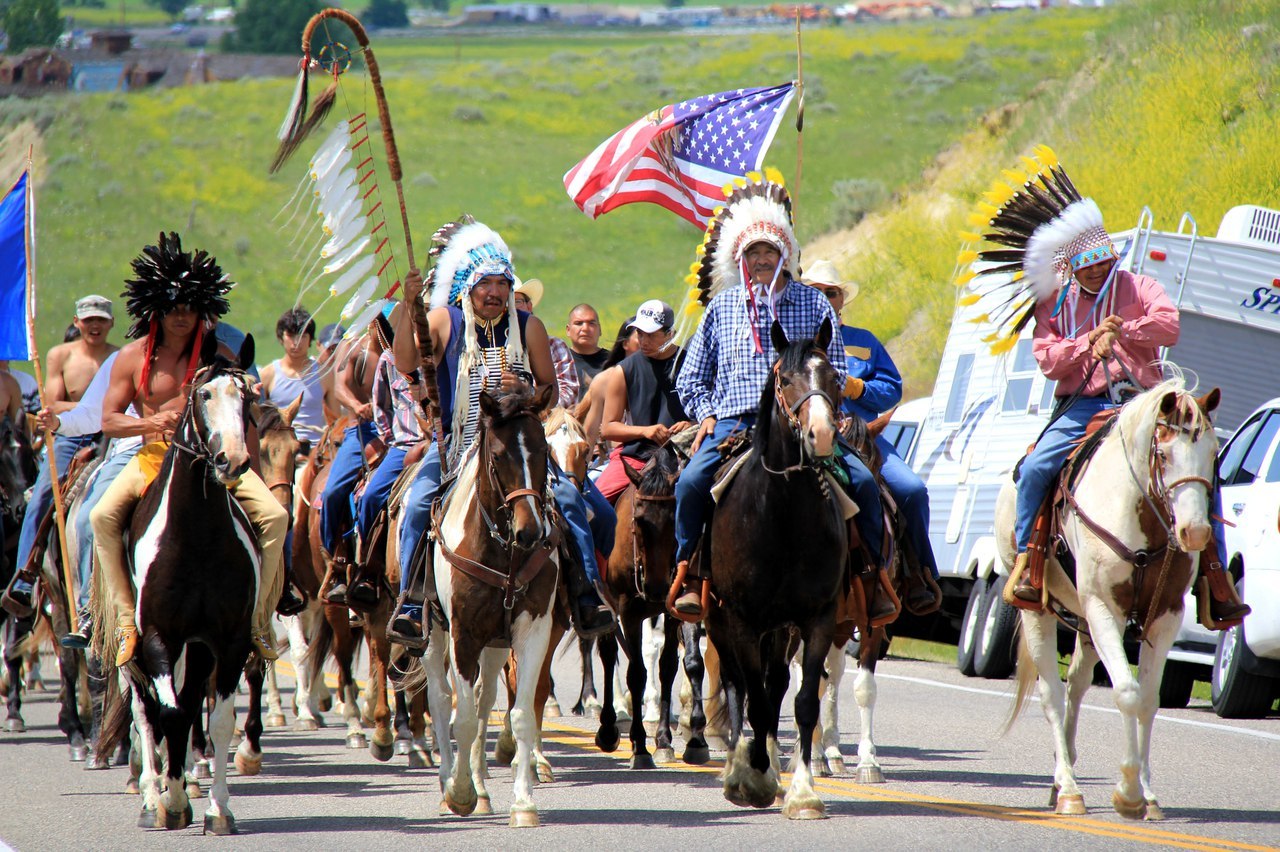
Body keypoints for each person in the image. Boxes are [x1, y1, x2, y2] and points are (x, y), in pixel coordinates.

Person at [960, 155, 1248, 626]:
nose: (1095, 273)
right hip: (1083, 405)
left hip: (1144, 401)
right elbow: (1048, 361)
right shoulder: (1054, 302)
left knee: (1198, 459)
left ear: (1113, 259)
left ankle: (1213, 574)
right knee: (1034, 469)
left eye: (1102, 265)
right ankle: (1029, 563)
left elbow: (1169, 325)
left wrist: (1124, 331)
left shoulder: (1139, 285)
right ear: (1072, 267)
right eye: (1086, 268)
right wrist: (1086, 345)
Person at [671, 175, 891, 620]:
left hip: (805, 420)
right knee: (692, 482)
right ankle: (691, 572)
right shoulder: (723, 307)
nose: (762, 260)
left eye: (770, 251)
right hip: (736, 423)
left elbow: (839, 369)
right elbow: (690, 377)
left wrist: (825, 408)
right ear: (741, 258)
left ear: (785, 254)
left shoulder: (815, 305)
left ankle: (874, 578)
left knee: (865, 484)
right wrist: (708, 415)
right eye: (753, 253)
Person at [389, 218, 615, 646]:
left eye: (501, 283)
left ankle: (586, 593)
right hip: (458, 444)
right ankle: (412, 601)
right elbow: (404, 361)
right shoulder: (443, 320)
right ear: (468, 287)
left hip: (520, 446)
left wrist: (527, 389)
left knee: (569, 499)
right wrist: (409, 303)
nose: (493, 292)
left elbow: (552, 390)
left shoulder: (528, 326)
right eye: (484, 283)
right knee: (418, 502)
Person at [90, 232, 287, 665]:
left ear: (203, 310)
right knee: (100, 517)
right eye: (174, 307)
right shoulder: (131, 357)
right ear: (156, 309)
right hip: (152, 460)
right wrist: (150, 421)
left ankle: (258, 619)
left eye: (190, 308)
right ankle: (123, 621)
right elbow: (108, 420)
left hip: (216, 463)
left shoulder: (220, 355)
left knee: (276, 516)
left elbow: (239, 403)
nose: (182, 316)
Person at [803, 261, 938, 611]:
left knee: (911, 489)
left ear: (841, 299)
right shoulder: (794, 340)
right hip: (807, 436)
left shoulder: (864, 342)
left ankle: (917, 574)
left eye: (830, 292)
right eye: (815, 290)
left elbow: (891, 390)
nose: (823, 297)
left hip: (864, 438)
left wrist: (858, 388)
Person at [3, 295, 117, 617]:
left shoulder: (118, 357)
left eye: (101, 320)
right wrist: (89, 409)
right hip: (70, 434)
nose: (95, 325)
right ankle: (24, 577)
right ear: (77, 322)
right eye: (89, 319)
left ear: (111, 324)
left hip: (109, 432)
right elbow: (49, 404)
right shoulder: (61, 356)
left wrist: (94, 410)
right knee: (41, 496)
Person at [345, 306, 422, 611]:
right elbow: (382, 408)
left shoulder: (442, 353)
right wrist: (395, 442)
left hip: (444, 442)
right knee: (371, 495)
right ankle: (370, 567)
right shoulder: (389, 360)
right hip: (404, 444)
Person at [321, 309, 387, 605]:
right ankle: (336, 559)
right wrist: (356, 406)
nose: (383, 328)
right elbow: (339, 385)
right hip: (361, 430)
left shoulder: (402, 349)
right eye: (380, 322)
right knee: (334, 490)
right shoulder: (353, 346)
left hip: (396, 432)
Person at [597, 300, 690, 502]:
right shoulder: (623, 370)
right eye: (640, 333)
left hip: (685, 455)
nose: (643, 341)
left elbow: (713, 413)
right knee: (594, 506)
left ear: (670, 334)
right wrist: (645, 430)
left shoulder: (691, 363)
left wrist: (692, 425)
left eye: (650, 334)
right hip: (637, 457)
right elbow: (608, 428)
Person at [260, 307, 333, 445]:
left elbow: (336, 422)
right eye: (291, 336)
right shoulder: (268, 374)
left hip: (313, 452)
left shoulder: (325, 374)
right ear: (281, 337)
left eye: (302, 336)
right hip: (278, 451)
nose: (296, 342)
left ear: (310, 339)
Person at [515, 277, 578, 409]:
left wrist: (534, 404)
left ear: (529, 306)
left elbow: (568, 392)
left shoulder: (554, 345)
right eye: (508, 303)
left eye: (517, 301)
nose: (513, 308)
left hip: (548, 420)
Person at [565, 304, 608, 399]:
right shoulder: (559, 362)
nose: (585, 328)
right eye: (578, 323)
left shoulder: (614, 361)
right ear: (568, 330)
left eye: (591, 323)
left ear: (600, 329)